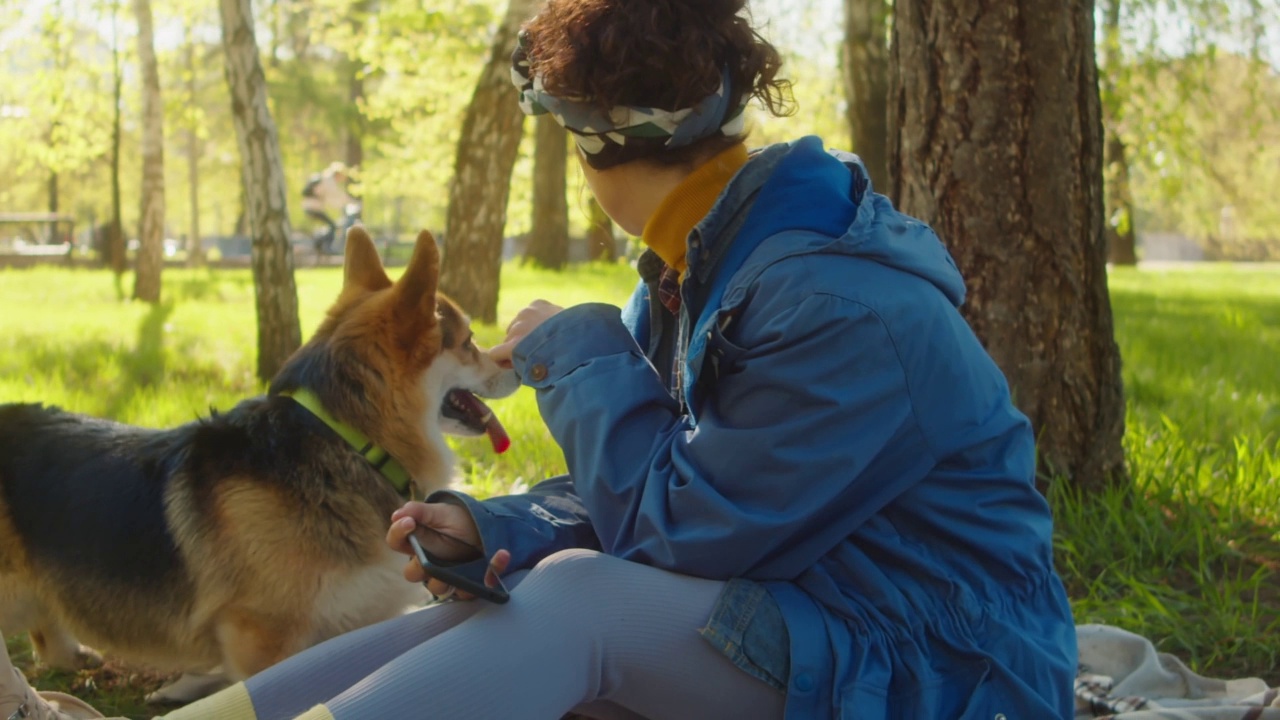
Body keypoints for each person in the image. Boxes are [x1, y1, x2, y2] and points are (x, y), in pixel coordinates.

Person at [0, 0, 1077, 718]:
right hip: (824, 611)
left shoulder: (829, 302)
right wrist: (497, 524)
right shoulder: (715, 263)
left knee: (576, 605)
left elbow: (683, 535)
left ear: (596, 142)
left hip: (947, 668)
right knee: (508, 592)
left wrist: (584, 346)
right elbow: (676, 495)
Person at [300, 162, 357, 255]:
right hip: (313, 207)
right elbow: (336, 196)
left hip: (310, 207)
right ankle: (323, 246)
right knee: (333, 226)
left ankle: (320, 243)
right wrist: (350, 202)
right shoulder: (328, 180)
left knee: (330, 225)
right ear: (338, 174)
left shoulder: (324, 178)